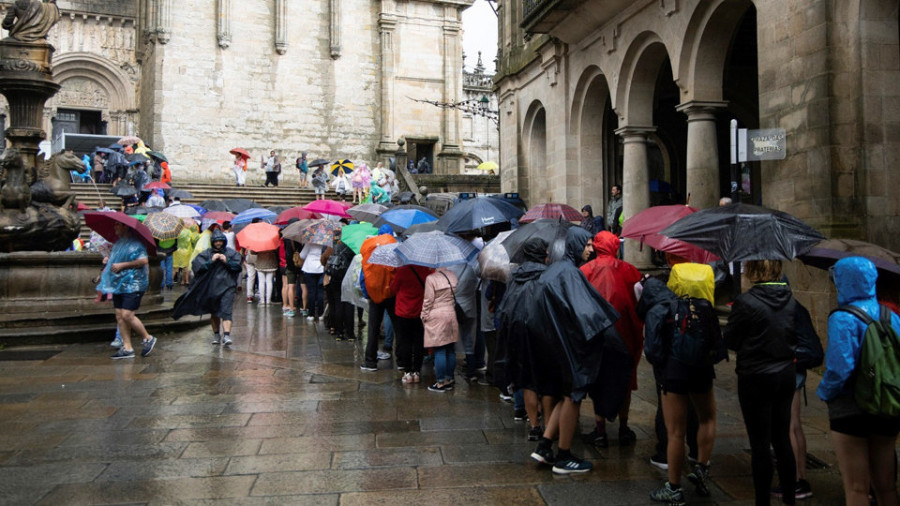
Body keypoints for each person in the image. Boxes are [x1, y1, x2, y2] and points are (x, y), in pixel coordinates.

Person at [528, 227, 625, 475]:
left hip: (552, 345)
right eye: (588, 244)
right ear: (575, 245)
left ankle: (545, 445)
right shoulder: (570, 273)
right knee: (573, 395)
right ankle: (564, 456)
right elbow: (587, 312)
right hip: (569, 346)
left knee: (564, 394)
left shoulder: (554, 271)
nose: (590, 249)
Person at [725, 259, 808, 506]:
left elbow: (730, 340)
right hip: (784, 374)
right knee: (782, 438)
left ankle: (763, 501)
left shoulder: (746, 302)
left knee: (760, 443)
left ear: (752, 270)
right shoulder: (791, 301)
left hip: (755, 377)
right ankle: (790, 499)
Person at [818, 257, 900, 506]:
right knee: (886, 486)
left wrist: (825, 393)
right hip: (887, 403)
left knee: (856, 488)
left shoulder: (843, 318)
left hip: (850, 408)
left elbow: (839, 369)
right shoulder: (891, 316)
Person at [641, 264, 721, 505]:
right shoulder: (708, 310)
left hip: (674, 371)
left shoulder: (664, 308)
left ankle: (674, 488)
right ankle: (702, 469)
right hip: (702, 370)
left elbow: (652, 349)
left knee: (676, 431)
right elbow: (718, 346)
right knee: (707, 418)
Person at [580, 231, 643, 447]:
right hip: (625, 335)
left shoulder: (585, 271)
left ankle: (600, 430)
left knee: (598, 380)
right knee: (625, 381)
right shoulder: (631, 271)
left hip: (597, 335)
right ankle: (624, 427)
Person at [498, 238, 554, 440]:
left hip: (519, 330)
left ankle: (534, 426)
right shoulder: (549, 274)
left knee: (528, 380)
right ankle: (548, 425)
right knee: (547, 381)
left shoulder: (515, 275)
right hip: (543, 330)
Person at [173, 229, 242, 346]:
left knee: (226, 311)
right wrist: (211, 261)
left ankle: (226, 335)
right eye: (216, 242)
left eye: (220, 241)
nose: (218, 244)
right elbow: (197, 267)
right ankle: (216, 335)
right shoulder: (206, 254)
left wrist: (227, 261)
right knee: (214, 312)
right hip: (211, 288)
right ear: (212, 242)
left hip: (228, 287)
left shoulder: (231, 253)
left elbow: (238, 267)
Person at [98, 222, 156, 359]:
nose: (115, 228)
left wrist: (122, 265)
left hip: (133, 284)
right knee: (119, 315)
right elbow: (115, 259)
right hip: (119, 284)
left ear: (126, 227)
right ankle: (127, 347)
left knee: (127, 315)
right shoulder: (118, 243)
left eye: (118, 225)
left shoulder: (136, 244)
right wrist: (108, 260)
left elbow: (143, 260)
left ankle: (148, 338)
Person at [359, 225, 397, 371]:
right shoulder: (396, 248)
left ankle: (370, 361)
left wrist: (367, 294)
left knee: (373, 328)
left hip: (375, 295)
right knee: (398, 326)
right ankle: (402, 361)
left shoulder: (370, 251)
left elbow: (364, 276)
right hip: (391, 294)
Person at [390, 263, 433, 384]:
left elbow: (393, 288)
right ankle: (417, 372)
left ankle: (408, 372)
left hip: (403, 312)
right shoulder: (426, 271)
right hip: (420, 311)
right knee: (419, 342)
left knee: (405, 342)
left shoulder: (402, 271)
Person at [422, 266, 459, 391]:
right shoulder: (452, 275)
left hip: (437, 315)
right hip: (451, 313)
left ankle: (441, 382)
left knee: (440, 349)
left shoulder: (431, 278)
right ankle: (449, 378)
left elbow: (428, 300)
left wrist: (424, 315)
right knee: (450, 349)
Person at [299, 241, 326, 321]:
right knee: (320, 291)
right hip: (321, 268)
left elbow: (302, 255)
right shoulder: (325, 243)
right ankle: (321, 314)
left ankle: (311, 314)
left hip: (309, 268)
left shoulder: (309, 243)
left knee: (311, 292)